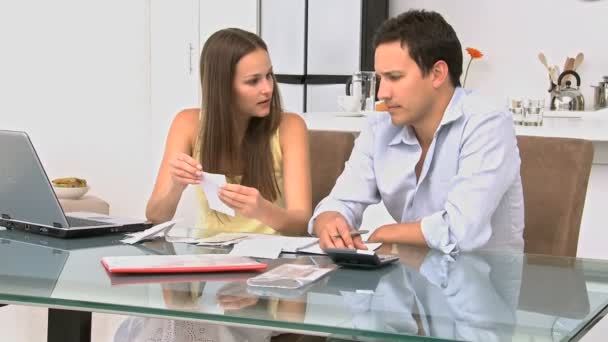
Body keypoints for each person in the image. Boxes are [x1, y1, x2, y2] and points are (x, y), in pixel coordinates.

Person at [311, 10, 524, 254]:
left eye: (394, 77)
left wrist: (386, 233)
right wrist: (329, 220)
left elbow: (461, 229)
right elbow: (342, 201)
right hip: (406, 278)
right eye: (381, 78)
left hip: (480, 282)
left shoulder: (487, 122)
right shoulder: (379, 127)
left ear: (437, 74)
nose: (382, 93)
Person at [146, 27, 311, 237]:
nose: (267, 88)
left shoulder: (290, 126)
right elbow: (155, 217)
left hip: (272, 259)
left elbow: (301, 223)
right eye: (253, 81)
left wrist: (263, 210)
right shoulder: (187, 124)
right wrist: (176, 186)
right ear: (222, 87)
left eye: (269, 75)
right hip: (208, 259)